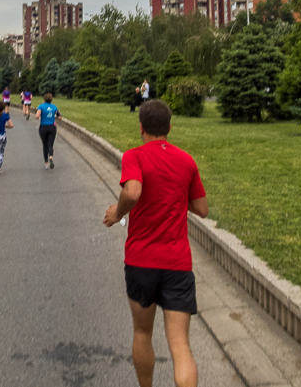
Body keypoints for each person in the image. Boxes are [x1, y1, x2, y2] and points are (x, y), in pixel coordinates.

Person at [103, 100, 209, 387]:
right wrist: (174, 194)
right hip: (177, 263)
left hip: (141, 261)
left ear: (141, 127)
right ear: (170, 127)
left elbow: (133, 190)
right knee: (181, 347)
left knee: (142, 333)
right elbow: (201, 208)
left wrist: (117, 213)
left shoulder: (134, 156)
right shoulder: (186, 161)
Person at [35, 93, 60, 170]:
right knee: (50, 145)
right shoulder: (54, 107)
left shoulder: (41, 106)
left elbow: (37, 116)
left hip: (43, 127)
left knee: (44, 145)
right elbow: (59, 116)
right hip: (52, 127)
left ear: (44, 99)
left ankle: (46, 163)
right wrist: (53, 118)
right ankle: (51, 156)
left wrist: (40, 117)